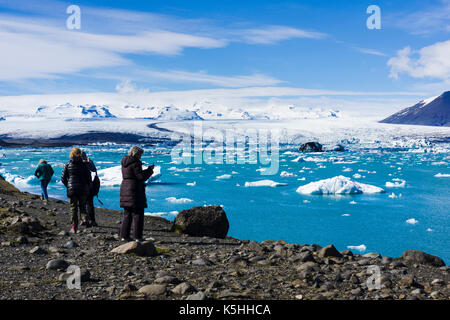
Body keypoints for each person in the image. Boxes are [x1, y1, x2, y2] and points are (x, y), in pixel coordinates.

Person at [119, 146, 154, 242]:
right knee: (138, 214)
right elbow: (140, 176)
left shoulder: (125, 162)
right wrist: (149, 170)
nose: (140, 156)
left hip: (125, 188)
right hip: (135, 190)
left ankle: (124, 236)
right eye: (140, 154)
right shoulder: (135, 163)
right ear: (136, 154)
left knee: (127, 214)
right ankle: (137, 237)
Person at [61, 147, 92, 233]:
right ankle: (84, 219)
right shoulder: (84, 165)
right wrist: (87, 186)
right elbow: (89, 178)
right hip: (82, 189)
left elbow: (63, 178)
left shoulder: (68, 164)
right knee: (82, 206)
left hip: (72, 190)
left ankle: (74, 227)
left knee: (73, 208)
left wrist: (68, 186)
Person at [82, 152, 98, 227]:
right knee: (90, 204)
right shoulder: (89, 163)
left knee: (82, 204)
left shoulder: (77, 164)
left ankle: (84, 219)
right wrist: (89, 161)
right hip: (89, 186)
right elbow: (94, 171)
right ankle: (92, 220)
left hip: (80, 187)